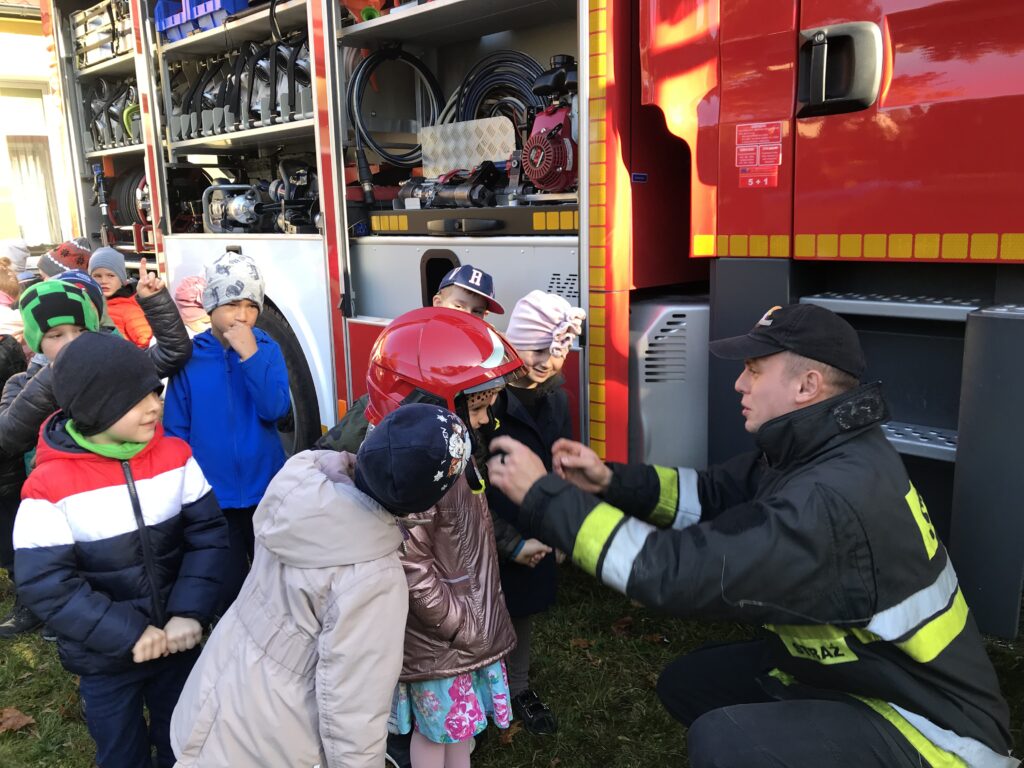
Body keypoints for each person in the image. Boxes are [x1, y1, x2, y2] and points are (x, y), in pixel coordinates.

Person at [487, 303, 1016, 768]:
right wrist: (610, 480)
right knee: (689, 686)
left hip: (931, 735)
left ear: (807, 386)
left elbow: (673, 573)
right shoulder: (824, 447)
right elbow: (712, 493)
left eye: (753, 370)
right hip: (864, 677)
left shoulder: (827, 498)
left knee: (724, 740)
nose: (739, 384)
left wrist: (544, 498)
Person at [170, 403, 472, 767]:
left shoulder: (299, 481)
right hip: (275, 740)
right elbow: (352, 708)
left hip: (214, 700)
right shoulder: (373, 578)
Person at [12, 332, 228, 768]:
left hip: (177, 641)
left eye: (155, 391)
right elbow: (46, 582)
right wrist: (127, 632)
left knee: (184, 741)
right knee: (120, 752)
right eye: (136, 398)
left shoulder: (176, 458)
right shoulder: (48, 488)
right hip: (105, 660)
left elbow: (208, 534)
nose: (154, 405)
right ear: (94, 407)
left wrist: (189, 611)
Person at [365, 307, 522, 768]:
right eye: (475, 406)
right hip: (443, 636)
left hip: (463, 631)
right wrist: (461, 625)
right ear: (423, 402)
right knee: (438, 734)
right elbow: (410, 566)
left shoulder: (445, 455)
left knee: (462, 730)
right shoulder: (415, 473)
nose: (484, 419)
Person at [163, 251, 290, 610]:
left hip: (264, 487)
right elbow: (176, 429)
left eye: (252, 305)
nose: (243, 315)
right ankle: (229, 636)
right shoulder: (190, 357)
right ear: (210, 304)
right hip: (212, 495)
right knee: (226, 582)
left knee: (272, 580)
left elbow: (275, 409)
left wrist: (251, 357)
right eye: (233, 303)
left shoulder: (266, 348)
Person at [485, 290, 585, 735]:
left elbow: (560, 466)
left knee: (521, 609)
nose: (546, 361)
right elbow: (472, 487)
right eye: (536, 350)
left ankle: (517, 686)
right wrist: (510, 542)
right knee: (483, 613)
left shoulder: (557, 398)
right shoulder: (488, 402)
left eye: (556, 351)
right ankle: (478, 693)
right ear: (512, 343)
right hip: (491, 529)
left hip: (534, 528)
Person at [0, 259, 192, 457]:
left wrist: (155, 302)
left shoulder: (115, 368)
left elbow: (173, 352)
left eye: (81, 331)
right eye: (56, 335)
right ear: (36, 343)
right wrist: (55, 375)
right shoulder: (21, 384)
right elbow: (9, 438)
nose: (71, 342)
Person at [315, 263, 503, 454]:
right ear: (437, 303)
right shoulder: (413, 342)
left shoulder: (486, 364)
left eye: (477, 311)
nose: (467, 317)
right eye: (458, 306)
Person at [89, 246, 153, 348]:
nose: (104, 281)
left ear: (123, 280)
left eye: (110, 275)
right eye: (97, 276)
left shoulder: (130, 309)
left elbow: (146, 345)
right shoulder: (90, 306)